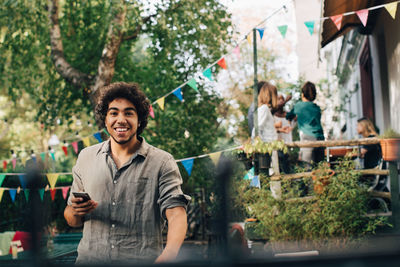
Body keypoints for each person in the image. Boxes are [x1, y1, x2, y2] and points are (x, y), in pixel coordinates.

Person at [64, 82, 190, 264]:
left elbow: (176, 213)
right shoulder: (86, 157)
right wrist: (76, 211)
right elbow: (72, 219)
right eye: (114, 113)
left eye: (129, 113)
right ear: (105, 120)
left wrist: (168, 256)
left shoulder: (162, 162)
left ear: (139, 120)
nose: (120, 119)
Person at [286, 81, 324, 166]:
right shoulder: (317, 108)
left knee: (307, 168)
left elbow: (288, 116)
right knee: (320, 169)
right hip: (320, 138)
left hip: (307, 139)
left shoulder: (299, 106)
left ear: (302, 94)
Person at [274, 94, 295, 173]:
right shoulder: (273, 115)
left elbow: (292, 125)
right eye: (278, 99)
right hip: (278, 145)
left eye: (282, 99)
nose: (281, 101)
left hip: (288, 144)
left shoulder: (288, 115)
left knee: (288, 167)